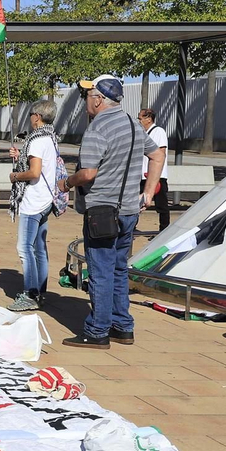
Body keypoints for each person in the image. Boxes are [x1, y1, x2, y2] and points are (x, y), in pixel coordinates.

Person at [61, 75, 162, 349]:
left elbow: (89, 173)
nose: (85, 103)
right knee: (118, 269)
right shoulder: (133, 124)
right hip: (130, 210)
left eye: (87, 96)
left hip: (102, 213)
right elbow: (157, 155)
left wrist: (67, 182)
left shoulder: (97, 129)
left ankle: (97, 331)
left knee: (101, 271)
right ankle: (122, 327)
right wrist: (149, 191)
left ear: (98, 99)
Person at [7, 98, 59, 311]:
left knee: (25, 248)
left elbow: (34, 172)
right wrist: (21, 156)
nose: (29, 119)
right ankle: (40, 292)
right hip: (46, 199)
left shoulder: (36, 140)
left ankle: (30, 293)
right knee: (39, 248)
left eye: (30, 115)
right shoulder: (50, 137)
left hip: (34, 201)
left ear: (37, 116)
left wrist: (16, 175)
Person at [139, 107, 171, 231]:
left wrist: (156, 173)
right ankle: (132, 228)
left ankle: (164, 230)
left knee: (162, 205)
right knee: (138, 202)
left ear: (148, 119)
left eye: (140, 118)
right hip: (143, 175)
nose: (139, 121)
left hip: (157, 176)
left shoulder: (159, 132)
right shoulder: (144, 133)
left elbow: (161, 153)